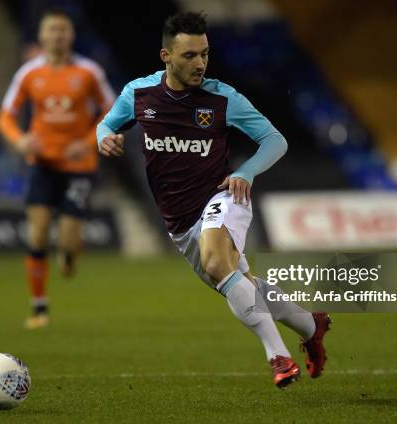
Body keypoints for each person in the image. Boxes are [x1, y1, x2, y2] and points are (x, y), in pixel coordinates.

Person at [97, 11, 330, 388]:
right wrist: (103, 137)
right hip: (180, 223)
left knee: (217, 261)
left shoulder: (222, 98)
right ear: (166, 57)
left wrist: (245, 172)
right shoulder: (138, 95)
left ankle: (279, 358)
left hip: (224, 197)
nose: (200, 63)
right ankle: (310, 325)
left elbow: (275, 141)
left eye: (204, 53)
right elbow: (106, 123)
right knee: (242, 280)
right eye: (189, 55)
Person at [0, 8, 115, 329]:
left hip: (79, 164)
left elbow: (113, 110)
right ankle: (39, 308)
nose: (58, 36)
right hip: (43, 163)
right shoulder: (28, 74)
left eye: (63, 30)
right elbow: (5, 116)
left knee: (67, 242)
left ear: (71, 36)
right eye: (52, 30)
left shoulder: (89, 72)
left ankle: (69, 253)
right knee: (36, 234)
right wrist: (20, 141)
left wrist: (90, 142)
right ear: (41, 36)